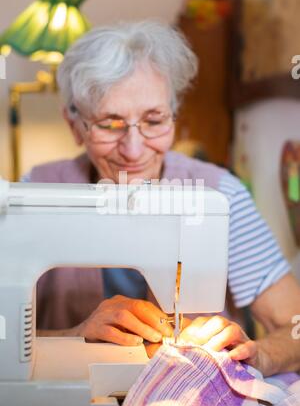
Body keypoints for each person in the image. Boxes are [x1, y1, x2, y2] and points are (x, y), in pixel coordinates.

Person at [24, 20, 300, 376]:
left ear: (174, 116)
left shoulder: (220, 195)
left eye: (154, 121)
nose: (134, 150)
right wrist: (71, 337)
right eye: (110, 123)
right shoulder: (36, 193)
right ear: (75, 125)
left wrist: (257, 353)